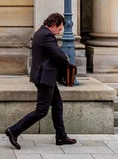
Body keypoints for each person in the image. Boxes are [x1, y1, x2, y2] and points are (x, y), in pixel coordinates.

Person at [5, 12, 76, 149]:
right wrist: (65, 57)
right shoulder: (47, 35)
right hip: (45, 77)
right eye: (59, 29)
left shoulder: (41, 33)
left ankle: (61, 136)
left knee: (57, 106)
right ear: (54, 25)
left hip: (46, 76)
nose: (59, 32)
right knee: (41, 110)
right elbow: (57, 53)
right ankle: (14, 130)